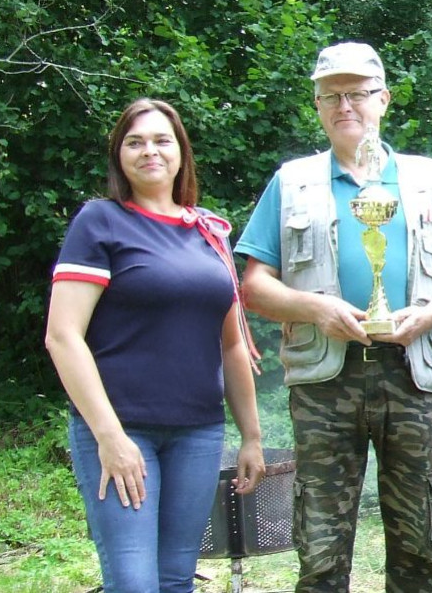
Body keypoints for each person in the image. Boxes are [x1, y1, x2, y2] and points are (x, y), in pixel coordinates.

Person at [235, 42, 432, 592]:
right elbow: (253, 286)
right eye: (331, 96)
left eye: (358, 93)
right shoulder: (292, 181)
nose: (345, 105)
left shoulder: (427, 178)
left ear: (384, 99)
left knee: (419, 542)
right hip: (325, 379)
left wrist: (428, 315)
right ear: (317, 106)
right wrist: (316, 308)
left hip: (412, 372)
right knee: (320, 546)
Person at [45, 98, 266, 592]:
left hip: (198, 433)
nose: (150, 151)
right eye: (135, 142)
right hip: (122, 429)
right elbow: (62, 336)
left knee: (175, 580)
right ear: (119, 155)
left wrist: (251, 436)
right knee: (133, 583)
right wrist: (110, 436)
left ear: (181, 152)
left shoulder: (208, 231)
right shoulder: (100, 222)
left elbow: (231, 345)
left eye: (162, 140)